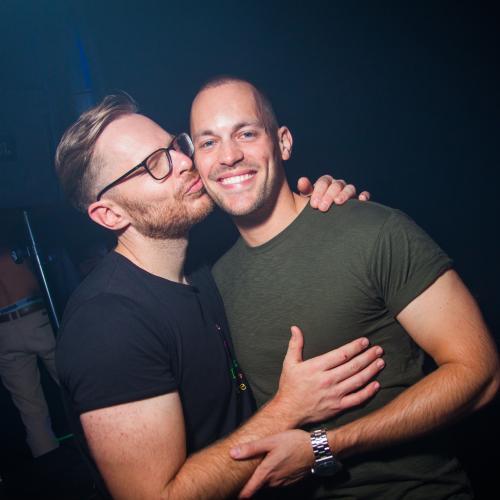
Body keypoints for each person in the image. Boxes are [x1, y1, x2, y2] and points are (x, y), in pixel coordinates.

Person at [54, 95, 382, 499]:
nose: (184, 162)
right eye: (154, 164)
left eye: (176, 146)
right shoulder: (107, 324)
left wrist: (326, 205)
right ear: (110, 215)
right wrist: (289, 408)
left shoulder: (204, 266)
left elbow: (281, 213)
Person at [189, 76, 500, 499]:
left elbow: (479, 373)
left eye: (246, 133)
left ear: (283, 143)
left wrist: (327, 447)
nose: (229, 156)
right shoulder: (214, 286)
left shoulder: (371, 230)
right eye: (208, 142)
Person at [0, 238, 59, 459]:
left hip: (4, 331)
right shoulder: (10, 243)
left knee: (31, 410)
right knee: (75, 388)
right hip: (33, 316)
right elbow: (36, 282)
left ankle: (51, 468)